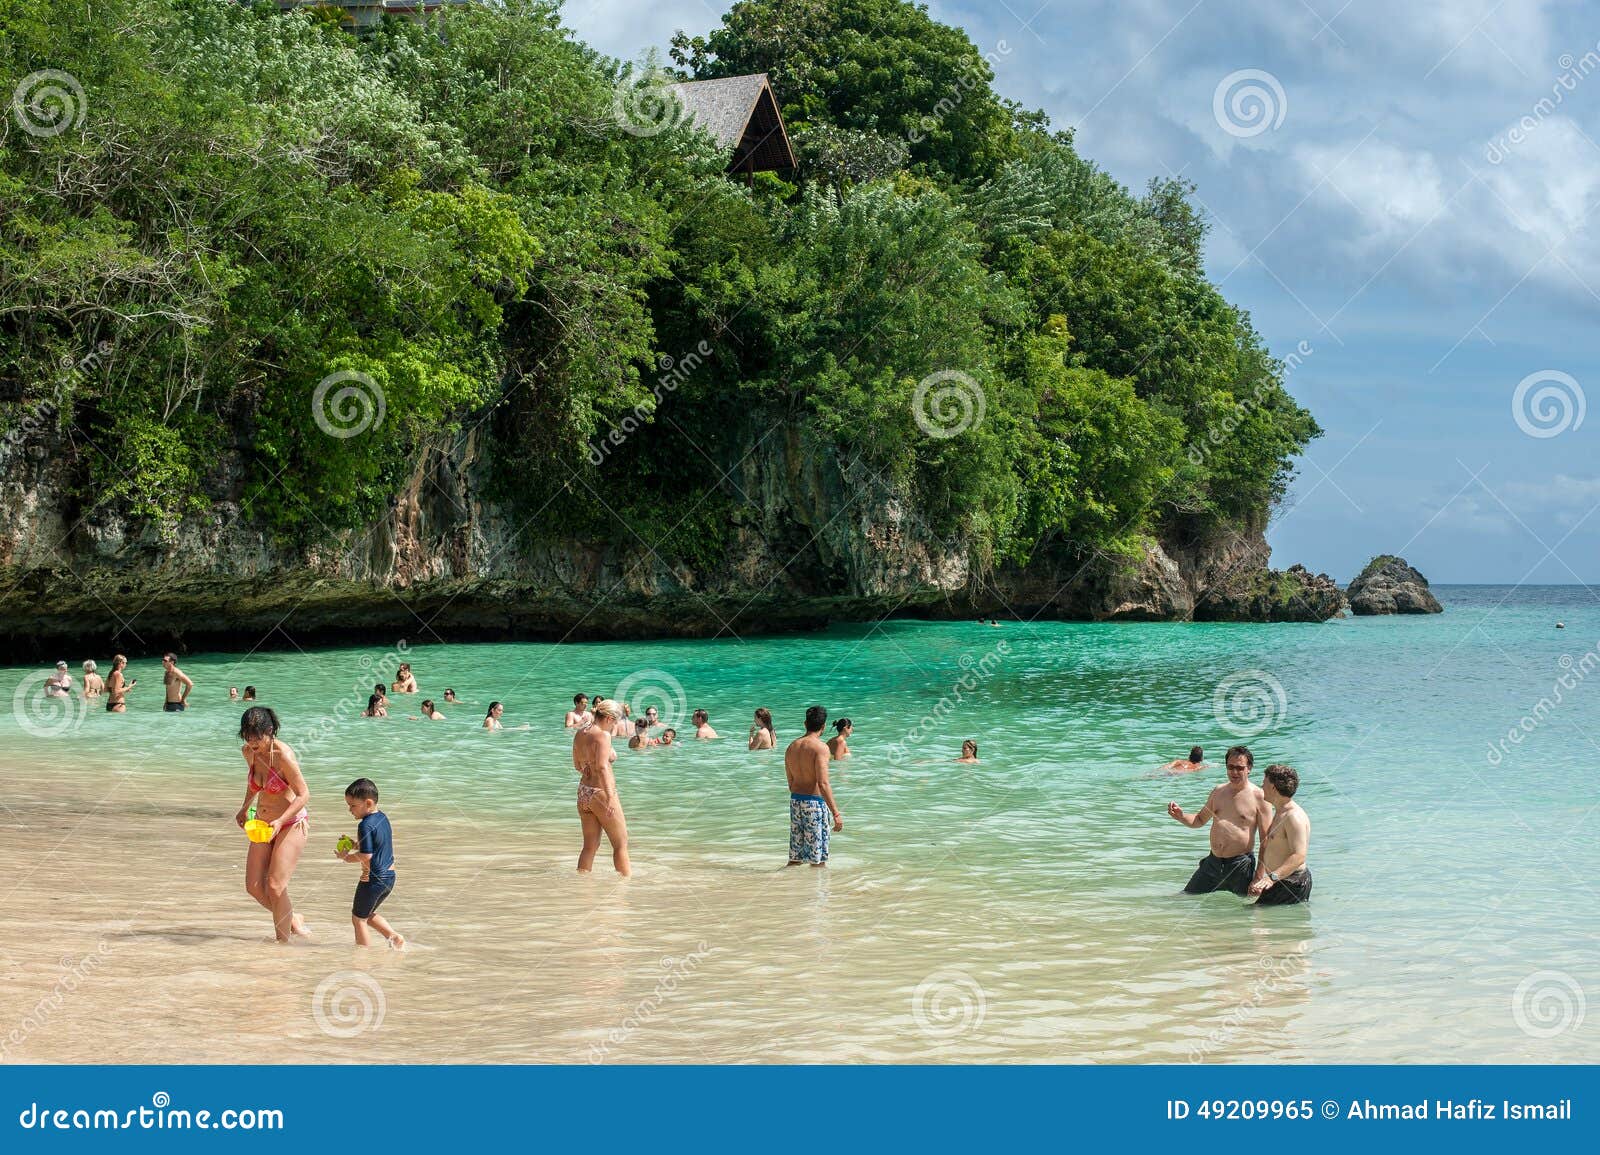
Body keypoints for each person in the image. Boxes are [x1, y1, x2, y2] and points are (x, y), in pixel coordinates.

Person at [235, 706, 311, 942]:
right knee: (254, 887)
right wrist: (245, 807)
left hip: (290, 823)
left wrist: (280, 820)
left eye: (256, 736)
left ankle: (282, 945)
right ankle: (293, 918)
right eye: (247, 735)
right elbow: (254, 784)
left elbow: (303, 794)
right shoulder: (249, 752)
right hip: (262, 824)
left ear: (269, 730)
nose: (252, 741)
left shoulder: (282, 755)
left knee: (276, 886)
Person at [1167, 745, 1269, 896]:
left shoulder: (1259, 797)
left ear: (1249, 768)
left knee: (1245, 911)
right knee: (1184, 898)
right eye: (1230, 767)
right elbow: (1199, 820)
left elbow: (1266, 840)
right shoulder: (1218, 791)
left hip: (1239, 865)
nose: (1234, 772)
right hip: (1212, 863)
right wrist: (1182, 816)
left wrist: (1259, 876)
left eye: (1240, 768)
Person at [337, 778, 404, 948]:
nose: (349, 810)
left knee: (358, 919)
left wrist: (346, 857)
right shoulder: (382, 817)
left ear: (368, 803)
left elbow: (366, 855)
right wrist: (354, 844)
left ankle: (363, 956)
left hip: (373, 880)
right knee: (366, 914)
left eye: (352, 805)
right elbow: (376, 846)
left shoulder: (364, 825)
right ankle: (393, 937)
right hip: (389, 877)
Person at [573, 699, 629, 876]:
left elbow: (577, 765)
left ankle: (581, 882)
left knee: (589, 846)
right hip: (601, 793)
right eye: (616, 721)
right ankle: (627, 886)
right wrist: (611, 798)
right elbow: (602, 767)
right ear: (609, 718)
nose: (615, 725)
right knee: (620, 844)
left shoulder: (580, 733)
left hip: (584, 792)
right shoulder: (603, 735)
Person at [786, 705, 843, 867]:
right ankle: (816, 891)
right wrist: (836, 813)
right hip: (814, 804)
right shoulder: (821, 748)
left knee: (795, 858)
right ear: (823, 726)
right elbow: (823, 783)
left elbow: (791, 783)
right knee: (817, 861)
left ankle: (783, 885)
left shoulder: (792, 747)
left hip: (795, 802)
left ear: (805, 723)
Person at [1250, 764, 1313, 905]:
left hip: (1293, 882)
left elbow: (1299, 856)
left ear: (1273, 787)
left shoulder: (1293, 816)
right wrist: (1265, 878)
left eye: (1264, 783)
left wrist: (1271, 878)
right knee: (1261, 920)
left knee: (1255, 918)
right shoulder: (1280, 811)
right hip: (1281, 880)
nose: (1261, 787)